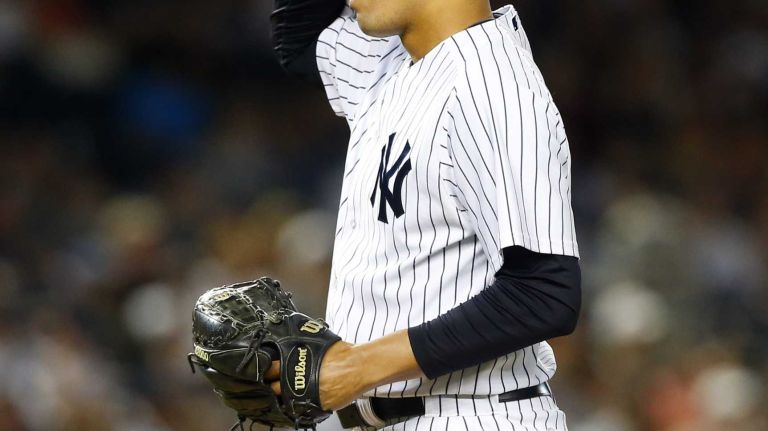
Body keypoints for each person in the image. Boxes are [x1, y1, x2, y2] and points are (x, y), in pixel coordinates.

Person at [267, 0, 581, 429]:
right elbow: (301, 37)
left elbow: (543, 292)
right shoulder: (392, 64)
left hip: (475, 415)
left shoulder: (493, 85)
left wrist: (357, 367)